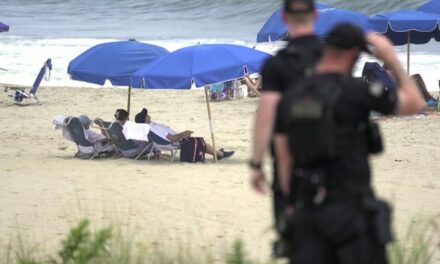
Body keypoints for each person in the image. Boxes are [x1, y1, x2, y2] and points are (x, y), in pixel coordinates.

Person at [274, 23, 424, 263]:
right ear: (354, 54)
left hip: (307, 210)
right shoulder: (357, 91)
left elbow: (283, 158)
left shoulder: (291, 95)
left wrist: (291, 204)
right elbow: (415, 104)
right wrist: (392, 60)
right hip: (351, 210)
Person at [249, 0, 322, 227]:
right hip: (335, 161)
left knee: (296, 238)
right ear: (315, 15)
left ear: (283, 18)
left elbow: (266, 114)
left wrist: (256, 164)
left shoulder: (278, 64)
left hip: (292, 162)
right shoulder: (333, 57)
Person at [134, 108, 234, 160]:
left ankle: (216, 152)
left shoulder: (149, 127)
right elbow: (172, 139)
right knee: (199, 141)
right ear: (144, 120)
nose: (147, 114)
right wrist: (184, 134)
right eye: (145, 115)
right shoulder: (153, 128)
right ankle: (219, 154)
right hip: (173, 143)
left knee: (197, 140)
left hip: (167, 142)